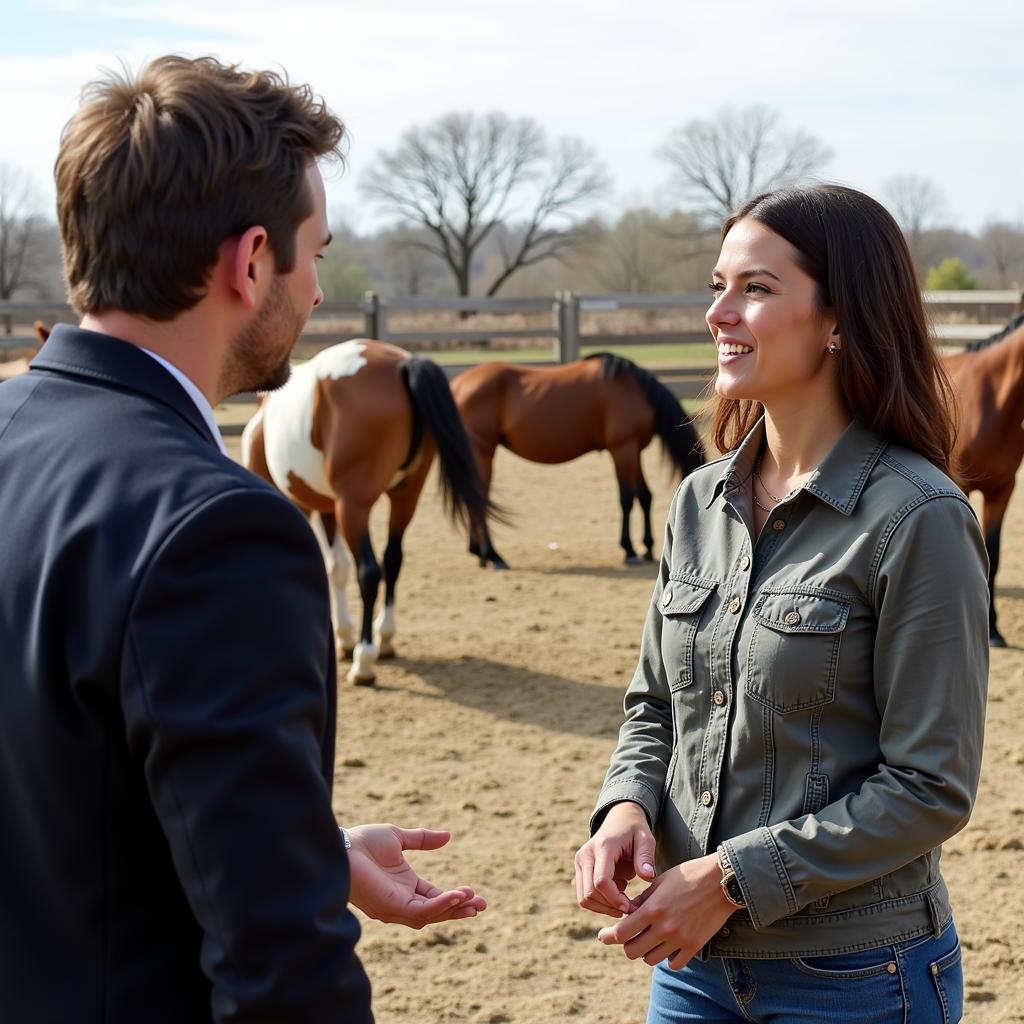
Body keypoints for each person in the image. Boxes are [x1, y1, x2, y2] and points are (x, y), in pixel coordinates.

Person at [0, 56, 483, 1024]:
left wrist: (301, 843)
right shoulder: (218, 527)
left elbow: (55, 768)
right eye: (314, 254)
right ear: (250, 259)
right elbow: (279, 965)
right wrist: (285, 872)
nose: (313, 293)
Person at [573, 183, 989, 1023]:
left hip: (858, 978)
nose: (719, 312)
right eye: (718, 286)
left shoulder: (920, 516)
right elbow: (656, 702)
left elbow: (930, 786)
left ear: (841, 319)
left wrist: (729, 880)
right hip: (692, 967)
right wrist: (626, 805)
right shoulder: (698, 501)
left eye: (755, 289)